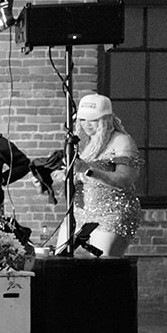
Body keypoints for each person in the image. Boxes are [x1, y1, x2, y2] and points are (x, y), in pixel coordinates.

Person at [55, 92, 142, 257]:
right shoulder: (82, 142)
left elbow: (125, 179)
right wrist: (48, 181)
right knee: (61, 259)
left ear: (106, 119)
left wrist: (88, 170)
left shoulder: (122, 141)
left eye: (94, 120)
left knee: (102, 265)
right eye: (82, 120)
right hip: (80, 213)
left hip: (112, 212)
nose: (87, 125)